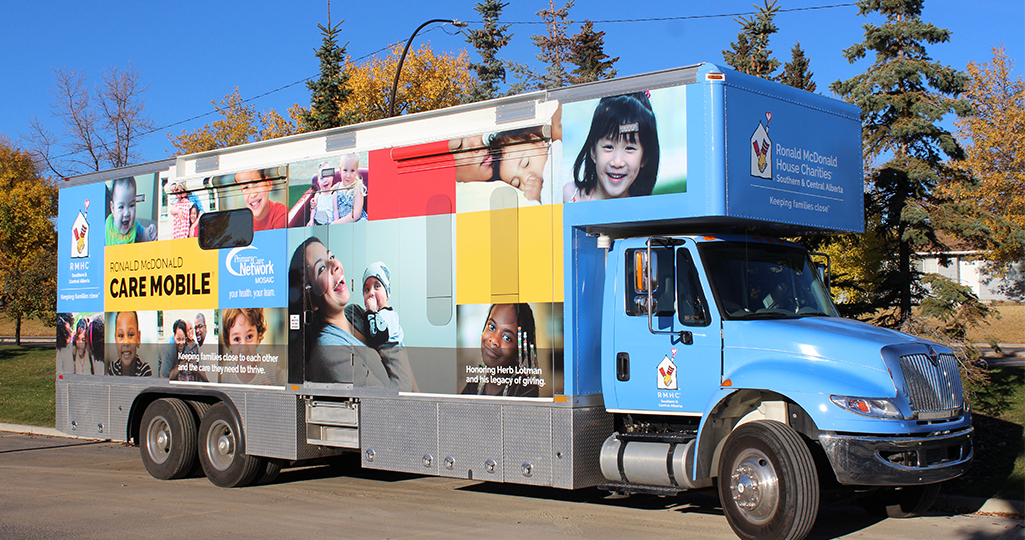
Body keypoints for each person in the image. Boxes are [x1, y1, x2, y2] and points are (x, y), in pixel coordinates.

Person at [288, 237, 415, 390]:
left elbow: (401, 359)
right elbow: (383, 400)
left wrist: (420, 396)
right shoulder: (330, 350)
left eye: (331, 257)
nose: (335, 265)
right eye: (321, 269)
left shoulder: (356, 313)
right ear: (310, 299)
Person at [564, 92, 660, 202]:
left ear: (644, 158)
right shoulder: (569, 195)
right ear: (593, 152)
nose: (617, 162)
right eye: (609, 147)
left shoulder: (645, 209)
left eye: (629, 148)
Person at [460, 304, 540, 397]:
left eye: (507, 338)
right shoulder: (472, 387)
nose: (494, 340)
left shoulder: (525, 393)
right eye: (491, 327)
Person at [219, 308, 280, 385]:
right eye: (237, 339)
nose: (244, 349)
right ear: (229, 344)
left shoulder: (272, 369)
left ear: (258, 338)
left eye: (249, 337)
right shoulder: (226, 374)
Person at [361, 262, 403, 349]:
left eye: (377, 286)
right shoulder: (381, 315)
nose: (371, 293)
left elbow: (374, 338)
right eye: (367, 289)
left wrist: (370, 311)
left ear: (387, 293)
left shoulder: (387, 315)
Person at [106, 177, 156, 244]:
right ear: (112, 208)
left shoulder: (135, 226)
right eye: (121, 207)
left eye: (131, 205)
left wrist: (150, 233)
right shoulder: (108, 225)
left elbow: (144, 236)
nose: (127, 213)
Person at [111, 311, 152, 377]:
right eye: (121, 336)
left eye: (130, 335)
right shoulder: (112, 368)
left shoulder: (145, 370)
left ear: (138, 338)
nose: (126, 342)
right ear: (116, 340)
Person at [331, 154, 367, 224]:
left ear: (356, 171)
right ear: (340, 170)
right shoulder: (336, 187)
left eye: (352, 171)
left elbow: (356, 213)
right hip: (340, 222)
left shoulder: (357, 187)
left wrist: (338, 223)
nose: (348, 175)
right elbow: (325, 195)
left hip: (356, 222)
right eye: (345, 170)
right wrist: (314, 201)